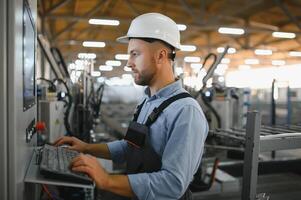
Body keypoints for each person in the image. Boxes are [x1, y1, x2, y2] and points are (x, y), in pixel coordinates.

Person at [54, 13, 208, 200]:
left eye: (135, 54)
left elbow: (172, 184)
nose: (128, 63)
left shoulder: (185, 111)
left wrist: (107, 180)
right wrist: (87, 148)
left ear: (160, 56)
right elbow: (131, 148)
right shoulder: (147, 101)